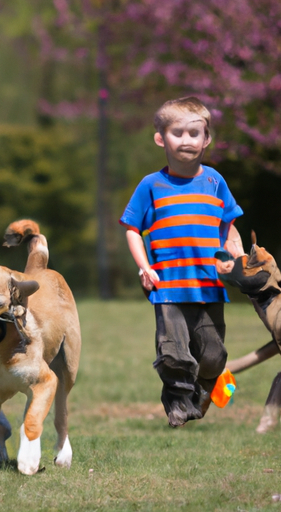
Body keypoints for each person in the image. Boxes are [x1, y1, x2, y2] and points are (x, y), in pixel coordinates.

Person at [119, 96, 244, 428]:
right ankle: (176, 400)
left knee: (214, 355)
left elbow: (228, 226)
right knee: (175, 353)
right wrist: (145, 267)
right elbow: (133, 228)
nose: (187, 141)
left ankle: (203, 390)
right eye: (178, 133)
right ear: (161, 138)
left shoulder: (215, 182)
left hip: (210, 285)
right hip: (169, 287)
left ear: (207, 139)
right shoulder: (151, 185)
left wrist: (237, 257)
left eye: (194, 133)